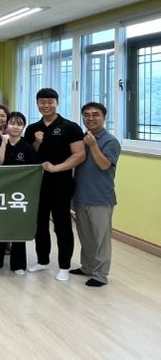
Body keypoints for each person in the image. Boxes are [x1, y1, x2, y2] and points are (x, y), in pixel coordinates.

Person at [24, 88, 85, 282]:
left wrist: (56, 168)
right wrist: (36, 142)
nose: (46, 105)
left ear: (57, 102)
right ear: (37, 103)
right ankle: (42, 260)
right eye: (42, 102)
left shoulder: (70, 127)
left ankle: (64, 266)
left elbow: (79, 155)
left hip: (61, 184)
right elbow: (28, 156)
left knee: (62, 225)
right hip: (37, 185)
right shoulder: (32, 128)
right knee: (40, 224)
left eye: (50, 102)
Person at [72, 102, 121, 287]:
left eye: (95, 114)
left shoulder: (110, 141)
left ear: (104, 117)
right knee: (86, 237)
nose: (90, 118)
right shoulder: (82, 139)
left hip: (101, 198)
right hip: (80, 196)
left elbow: (104, 164)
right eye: (86, 115)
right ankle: (87, 267)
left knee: (101, 240)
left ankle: (101, 275)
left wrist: (93, 145)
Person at [0, 111, 36, 275]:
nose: (15, 127)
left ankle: (18, 265)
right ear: (7, 125)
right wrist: (4, 143)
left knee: (18, 228)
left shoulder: (27, 147)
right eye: (12, 123)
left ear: (23, 127)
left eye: (19, 124)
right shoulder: (1, 142)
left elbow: (32, 171)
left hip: (20, 195)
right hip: (1, 193)